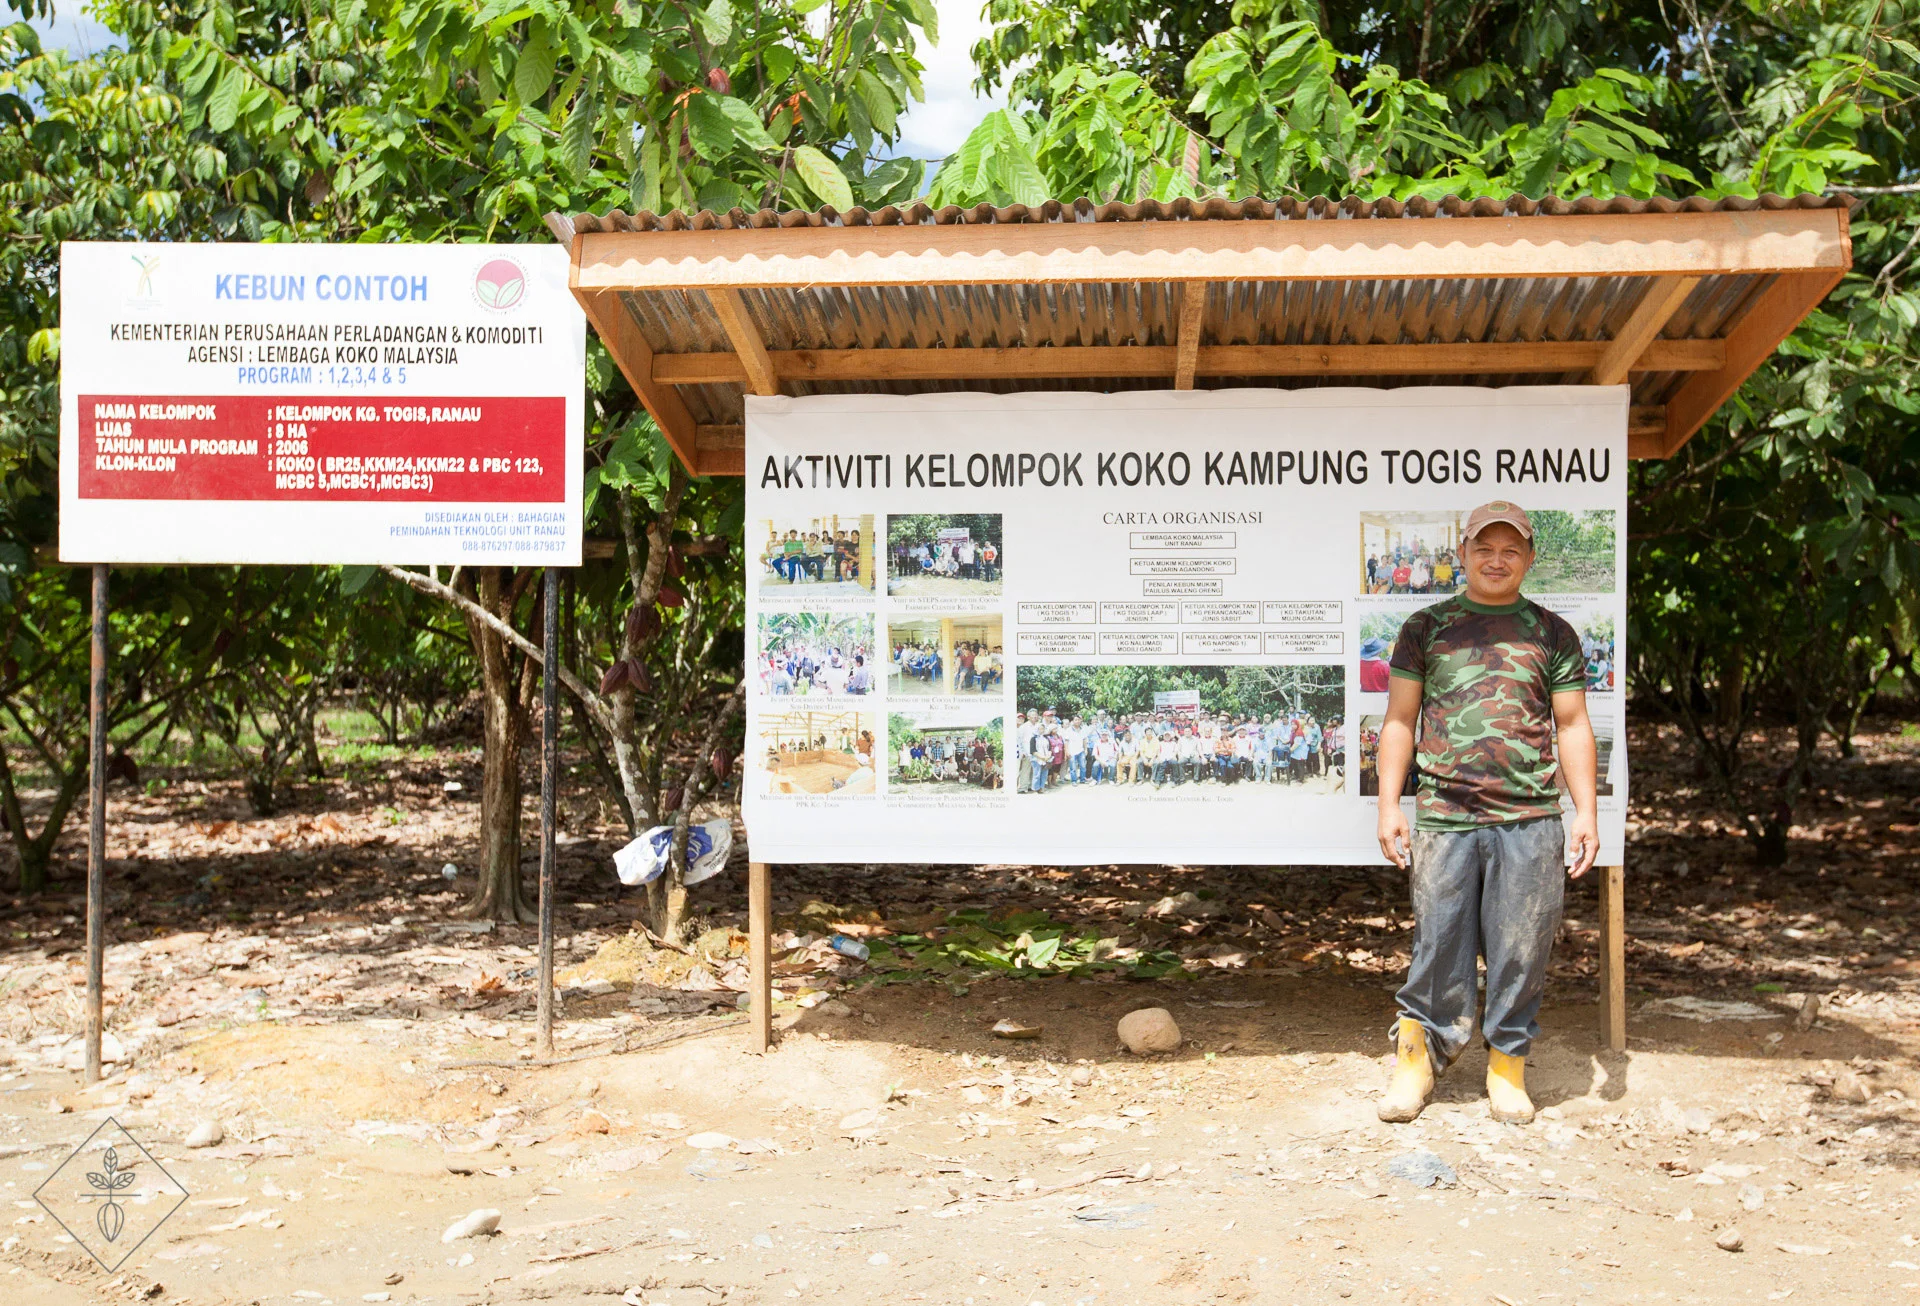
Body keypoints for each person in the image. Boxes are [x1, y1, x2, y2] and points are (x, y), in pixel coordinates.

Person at [1375, 500, 1599, 1126]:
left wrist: (1586, 812)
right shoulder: (1427, 627)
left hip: (1529, 817)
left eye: (1510, 550)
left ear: (1529, 557)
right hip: (1445, 814)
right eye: (1483, 547)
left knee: (1521, 946)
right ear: (1463, 553)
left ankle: (1507, 1065)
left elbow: (1574, 724)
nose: (1495, 560)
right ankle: (1418, 1057)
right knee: (1438, 941)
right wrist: (1391, 803)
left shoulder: (1552, 633)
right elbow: (1398, 721)